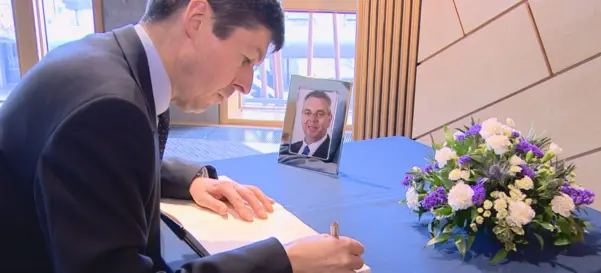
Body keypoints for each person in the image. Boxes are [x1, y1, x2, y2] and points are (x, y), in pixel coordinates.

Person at [0, 0, 365, 272]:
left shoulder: (104, 60)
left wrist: (188, 180)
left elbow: (88, 166)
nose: (246, 84)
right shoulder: (109, 109)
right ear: (197, 18)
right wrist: (284, 261)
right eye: (245, 59)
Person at [288, 90, 336, 161]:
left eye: (320, 114)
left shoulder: (334, 155)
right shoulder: (290, 149)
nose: (312, 119)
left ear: (329, 120)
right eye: (307, 113)